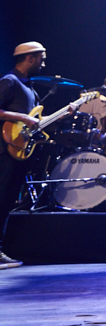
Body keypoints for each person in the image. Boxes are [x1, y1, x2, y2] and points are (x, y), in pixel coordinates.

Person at [0, 42, 48, 269]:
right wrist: (25, 118)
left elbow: (31, 125)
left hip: (18, 151)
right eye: (41, 58)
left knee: (7, 200)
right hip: (4, 149)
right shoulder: (10, 82)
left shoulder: (31, 89)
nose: (43, 63)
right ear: (30, 59)